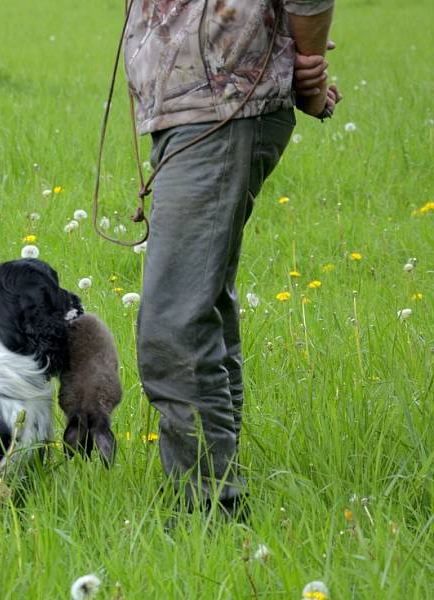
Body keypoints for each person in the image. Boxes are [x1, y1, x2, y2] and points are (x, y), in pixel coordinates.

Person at [123, 0, 340, 512]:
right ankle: (215, 484)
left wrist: (305, 65)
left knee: (175, 320)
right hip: (192, 108)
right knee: (201, 306)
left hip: (223, 107)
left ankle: (205, 507)